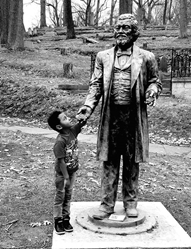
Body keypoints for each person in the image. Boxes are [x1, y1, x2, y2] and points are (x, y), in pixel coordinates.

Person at [77, 13, 162, 220]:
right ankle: (106, 204)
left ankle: (130, 202)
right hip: (111, 116)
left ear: (134, 33)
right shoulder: (102, 57)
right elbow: (95, 85)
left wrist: (152, 91)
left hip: (133, 117)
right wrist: (88, 106)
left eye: (126, 28)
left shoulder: (147, 57)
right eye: (118, 27)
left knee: (132, 161)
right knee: (110, 160)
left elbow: (155, 81)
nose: (121, 31)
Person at [47, 111, 86, 235]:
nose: (68, 118)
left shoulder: (72, 131)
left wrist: (83, 116)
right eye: (65, 118)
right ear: (59, 126)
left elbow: (82, 123)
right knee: (60, 197)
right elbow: (61, 161)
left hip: (72, 172)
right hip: (62, 175)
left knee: (68, 196)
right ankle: (58, 221)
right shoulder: (60, 141)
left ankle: (66, 219)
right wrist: (65, 177)